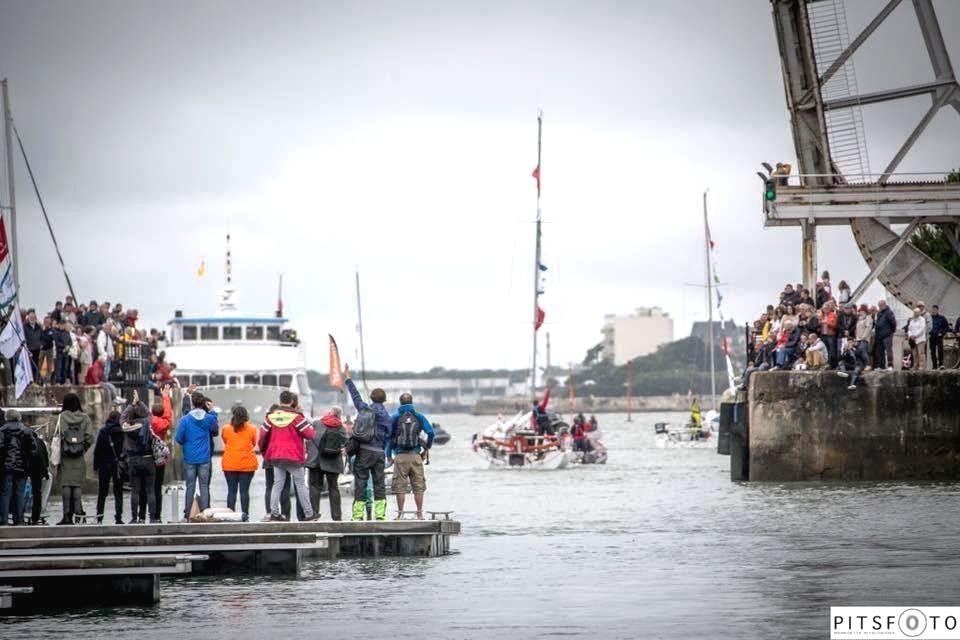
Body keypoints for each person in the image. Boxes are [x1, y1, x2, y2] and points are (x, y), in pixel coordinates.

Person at [260, 390, 317, 521]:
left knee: (277, 485)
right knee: (300, 485)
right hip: (294, 457)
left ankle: (274, 513)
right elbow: (310, 434)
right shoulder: (296, 417)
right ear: (292, 402)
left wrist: (265, 453)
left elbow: (262, 436)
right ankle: (309, 514)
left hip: (276, 456)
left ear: (280, 401)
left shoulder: (271, 417)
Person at [343, 363, 391, 521]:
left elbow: (355, 396)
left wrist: (348, 379)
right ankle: (380, 515)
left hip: (363, 451)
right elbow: (390, 435)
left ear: (371, 398)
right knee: (379, 485)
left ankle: (357, 516)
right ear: (384, 400)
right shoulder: (387, 417)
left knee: (360, 483)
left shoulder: (364, 409)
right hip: (378, 454)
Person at [387, 393, 435, 520]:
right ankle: (419, 514)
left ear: (400, 403)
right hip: (415, 456)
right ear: (412, 402)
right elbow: (430, 433)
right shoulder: (419, 416)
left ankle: (400, 514)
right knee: (418, 486)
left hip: (400, 456)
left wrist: (389, 456)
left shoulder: (395, 417)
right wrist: (426, 449)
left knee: (400, 487)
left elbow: (389, 438)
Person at [175, 391, 219, 519]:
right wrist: (212, 411)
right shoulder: (209, 418)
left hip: (189, 458)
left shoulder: (185, 419)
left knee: (190, 486)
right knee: (204, 486)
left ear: (193, 403)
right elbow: (215, 431)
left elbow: (178, 438)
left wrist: (187, 442)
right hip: (204, 457)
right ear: (204, 403)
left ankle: (188, 514)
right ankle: (204, 513)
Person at [55, 393, 94, 524]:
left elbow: (57, 434)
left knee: (66, 484)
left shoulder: (62, 417)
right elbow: (90, 437)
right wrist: (81, 449)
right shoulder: (85, 418)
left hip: (65, 456)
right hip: (78, 456)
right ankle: (79, 514)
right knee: (77, 485)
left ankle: (66, 516)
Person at [306, 406, 347, 521]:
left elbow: (309, 437)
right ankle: (337, 516)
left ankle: (314, 514)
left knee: (314, 487)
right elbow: (345, 442)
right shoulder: (340, 427)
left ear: (329, 413)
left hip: (316, 460)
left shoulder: (317, 423)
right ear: (339, 415)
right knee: (333, 488)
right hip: (333, 460)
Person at [221, 405, 258, 521]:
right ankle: (245, 516)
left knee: (231, 491)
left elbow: (225, 440)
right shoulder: (252, 429)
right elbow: (254, 443)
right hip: (247, 465)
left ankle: (230, 516)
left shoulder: (226, 429)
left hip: (230, 464)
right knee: (244, 491)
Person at [0, 409, 36, 526]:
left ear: (7, 418)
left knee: (5, 493)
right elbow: (33, 449)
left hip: (6, 467)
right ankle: (19, 519)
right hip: (22, 467)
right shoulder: (26, 430)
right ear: (19, 417)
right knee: (19, 493)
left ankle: (4, 519)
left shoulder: (2, 430)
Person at [122, 402, 156, 523]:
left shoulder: (127, 426)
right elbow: (150, 414)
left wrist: (131, 405)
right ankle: (152, 518)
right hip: (148, 458)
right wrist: (141, 403)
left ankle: (134, 518)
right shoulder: (147, 423)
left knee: (135, 491)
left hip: (133, 460)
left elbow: (122, 417)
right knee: (150, 490)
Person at [145, 386, 173, 522]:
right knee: (157, 487)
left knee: (146, 487)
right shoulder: (163, 424)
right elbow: (168, 415)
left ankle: (141, 515)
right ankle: (156, 515)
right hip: (159, 458)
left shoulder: (147, 422)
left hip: (146, 456)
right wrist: (166, 398)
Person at [93, 410, 125, 524]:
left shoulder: (103, 431)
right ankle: (118, 517)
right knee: (118, 492)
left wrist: (95, 466)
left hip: (104, 465)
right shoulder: (122, 432)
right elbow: (125, 450)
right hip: (117, 465)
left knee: (102, 492)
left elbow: (97, 450)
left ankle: (99, 517)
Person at [874, 300, 897, 370]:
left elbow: (893, 323)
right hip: (880, 335)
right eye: (879, 306)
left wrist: (891, 331)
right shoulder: (879, 313)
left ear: (884, 305)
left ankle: (890, 365)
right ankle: (881, 366)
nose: (879, 307)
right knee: (880, 351)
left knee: (888, 350)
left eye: (880, 306)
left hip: (887, 334)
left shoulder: (889, 312)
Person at [24, 310, 43, 381]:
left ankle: (36, 379)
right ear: (28, 318)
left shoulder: (39, 327)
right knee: (30, 365)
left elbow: (42, 337)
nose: (32, 319)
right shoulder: (25, 327)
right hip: (29, 349)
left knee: (37, 365)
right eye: (31, 317)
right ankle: (30, 380)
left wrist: (41, 344)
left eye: (34, 317)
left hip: (37, 349)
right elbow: (24, 337)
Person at [854, 304, 874, 369]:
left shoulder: (868, 318)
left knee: (863, 351)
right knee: (858, 351)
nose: (860, 312)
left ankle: (868, 364)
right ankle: (862, 365)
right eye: (860, 311)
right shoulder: (859, 319)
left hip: (864, 338)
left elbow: (868, 328)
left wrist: (864, 336)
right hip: (858, 338)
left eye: (861, 311)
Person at [929, 304, 948, 370]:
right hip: (932, 337)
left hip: (939, 337)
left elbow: (946, 327)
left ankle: (941, 364)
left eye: (935, 310)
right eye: (932, 310)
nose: (933, 311)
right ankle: (934, 365)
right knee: (932, 351)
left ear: (937, 310)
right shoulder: (929, 318)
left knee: (940, 350)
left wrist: (942, 333)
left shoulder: (942, 318)